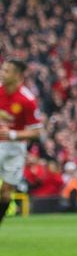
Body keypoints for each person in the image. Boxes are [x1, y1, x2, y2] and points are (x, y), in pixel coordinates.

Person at [0, 60, 43, 228]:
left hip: (15, 148)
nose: (2, 73)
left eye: (7, 71)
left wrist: (12, 134)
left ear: (18, 76)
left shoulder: (27, 99)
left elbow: (36, 131)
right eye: (3, 70)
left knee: (5, 194)